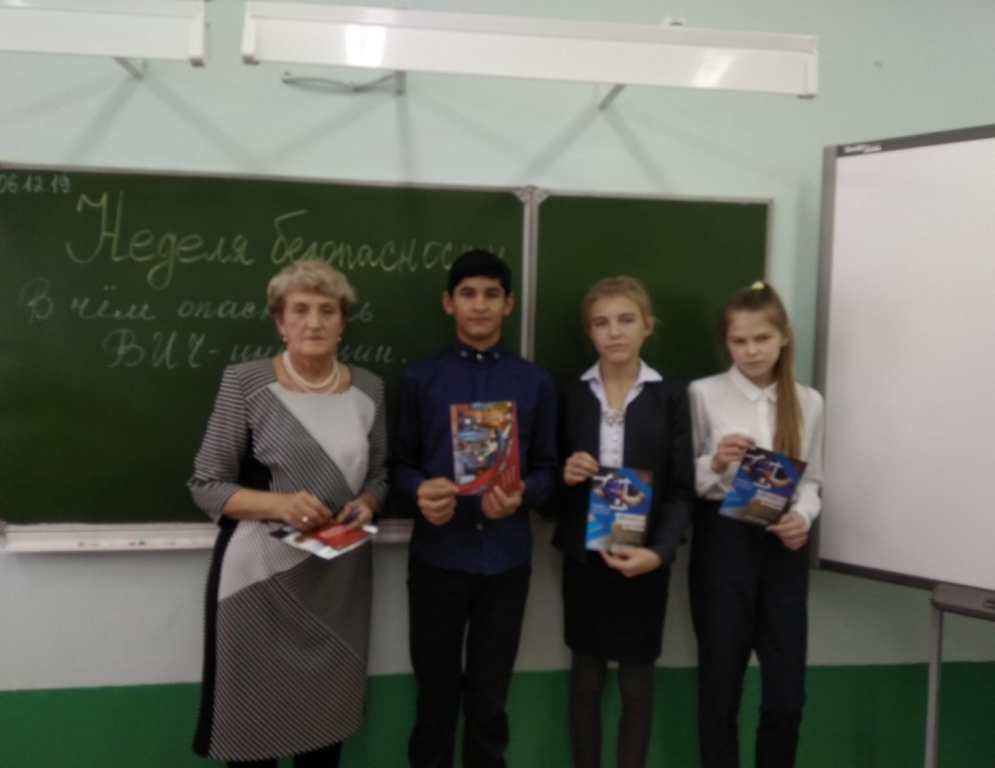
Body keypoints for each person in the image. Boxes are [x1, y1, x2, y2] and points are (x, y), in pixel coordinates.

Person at [188, 259, 387, 768]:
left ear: (343, 321)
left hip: (339, 583)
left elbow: (381, 475)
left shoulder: (369, 388)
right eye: (299, 310)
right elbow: (206, 484)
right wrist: (281, 504)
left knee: (324, 736)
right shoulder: (246, 383)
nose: (313, 322)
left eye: (327, 310)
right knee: (251, 736)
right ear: (280, 321)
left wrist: (368, 501)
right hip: (259, 581)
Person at [393, 248, 558, 768]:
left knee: (489, 704)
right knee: (435, 701)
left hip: (506, 561)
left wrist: (523, 493)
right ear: (449, 303)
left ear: (509, 303)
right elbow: (399, 465)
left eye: (491, 294)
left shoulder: (535, 382)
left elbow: (549, 470)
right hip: (438, 558)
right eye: (468, 294)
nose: (479, 305)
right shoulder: (420, 379)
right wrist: (420, 491)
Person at [551, 276, 694, 768]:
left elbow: (681, 490)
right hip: (585, 558)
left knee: (637, 683)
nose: (614, 332)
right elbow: (545, 486)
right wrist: (565, 474)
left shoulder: (671, 397)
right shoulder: (570, 394)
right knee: (586, 679)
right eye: (601, 322)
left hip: (644, 558)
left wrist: (659, 553)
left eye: (626, 320)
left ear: (648, 326)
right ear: (589, 332)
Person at [687, 281, 824, 768]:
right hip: (723, 542)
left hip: (783, 549)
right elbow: (683, 480)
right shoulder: (703, 393)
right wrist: (716, 462)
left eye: (762, 338)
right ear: (726, 341)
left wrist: (802, 517)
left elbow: (812, 480)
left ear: (784, 336)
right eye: (739, 340)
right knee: (720, 691)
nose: (751, 350)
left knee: (786, 696)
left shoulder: (808, 401)